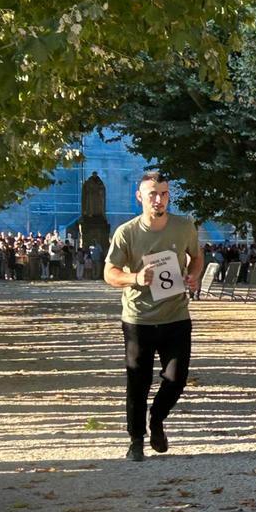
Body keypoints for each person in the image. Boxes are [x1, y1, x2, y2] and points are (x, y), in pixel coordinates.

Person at [103, 171, 204, 462]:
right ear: (140, 197)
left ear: (169, 196)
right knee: (138, 380)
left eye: (163, 194)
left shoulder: (184, 227)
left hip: (175, 315)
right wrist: (135, 277)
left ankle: (156, 418)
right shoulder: (127, 232)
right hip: (139, 319)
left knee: (176, 378)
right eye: (152, 194)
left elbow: (196, 256)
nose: (158, 200)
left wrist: (194, 276)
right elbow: (110, 273)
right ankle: (136, 440)